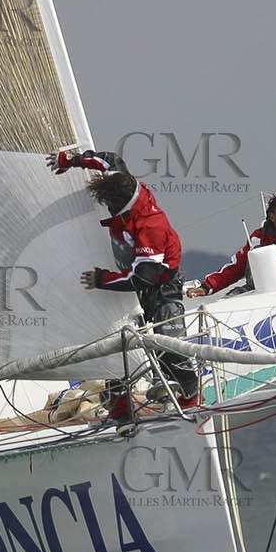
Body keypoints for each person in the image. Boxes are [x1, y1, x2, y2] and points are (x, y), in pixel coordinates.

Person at [49, 148, 201, 413]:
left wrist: (102, 279)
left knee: (167, 342)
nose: (107, 207)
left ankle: (190, 395)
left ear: (121, 203)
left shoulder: (149, 227)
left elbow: (142, 278)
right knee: (118, 334)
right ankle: (118, 401)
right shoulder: (120, 180)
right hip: (134, 276)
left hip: (161, 287)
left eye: (109, 204)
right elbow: (107, 159)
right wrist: (71, 161)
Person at [188, 189, 276, 297]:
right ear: (272, 217)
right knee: (228, 299)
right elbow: (235, 267)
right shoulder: (257, 238)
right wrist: (206, 287)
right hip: (255, 292)